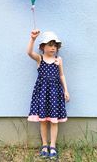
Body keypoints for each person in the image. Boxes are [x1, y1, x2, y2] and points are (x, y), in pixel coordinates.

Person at [27, 29, 70, 159]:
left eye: (55, 45)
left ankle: (53, 146)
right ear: (43, 47)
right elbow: (29, 52)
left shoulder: (58, 60)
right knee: (43, 121)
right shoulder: (40, 59)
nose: (53, 48)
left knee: (54, 121)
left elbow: (61, 75)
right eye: (50, 45)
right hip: (42, 94)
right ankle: (44, 145)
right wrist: (33, 39)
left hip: (55, 94)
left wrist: (66, 90)